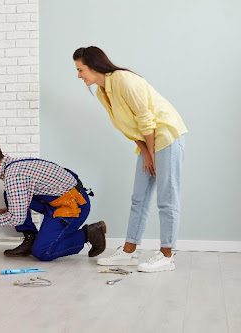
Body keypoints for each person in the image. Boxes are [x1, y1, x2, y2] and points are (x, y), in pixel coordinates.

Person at [73, 46, 187, 272]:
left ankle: (167, 255)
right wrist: (145, 152)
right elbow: (126, 127)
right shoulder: (102, 92)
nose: (78, 75)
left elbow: (145, 119)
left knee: (166, 197)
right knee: (139, 198)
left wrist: (152, 153)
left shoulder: (123, 80)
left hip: (166, 134)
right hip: (149, 141)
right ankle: (129, 251)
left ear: (94, 67)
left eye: (80, 70)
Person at [0, 139, 106, 261]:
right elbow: (20, 198)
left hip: (73, 206)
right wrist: (8, 210)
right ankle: (31, 239)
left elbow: (17, 219)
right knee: (9, 194)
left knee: (42, 252)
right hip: (57, 200)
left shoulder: (14, 175)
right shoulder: (13, 166)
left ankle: (90, 234)